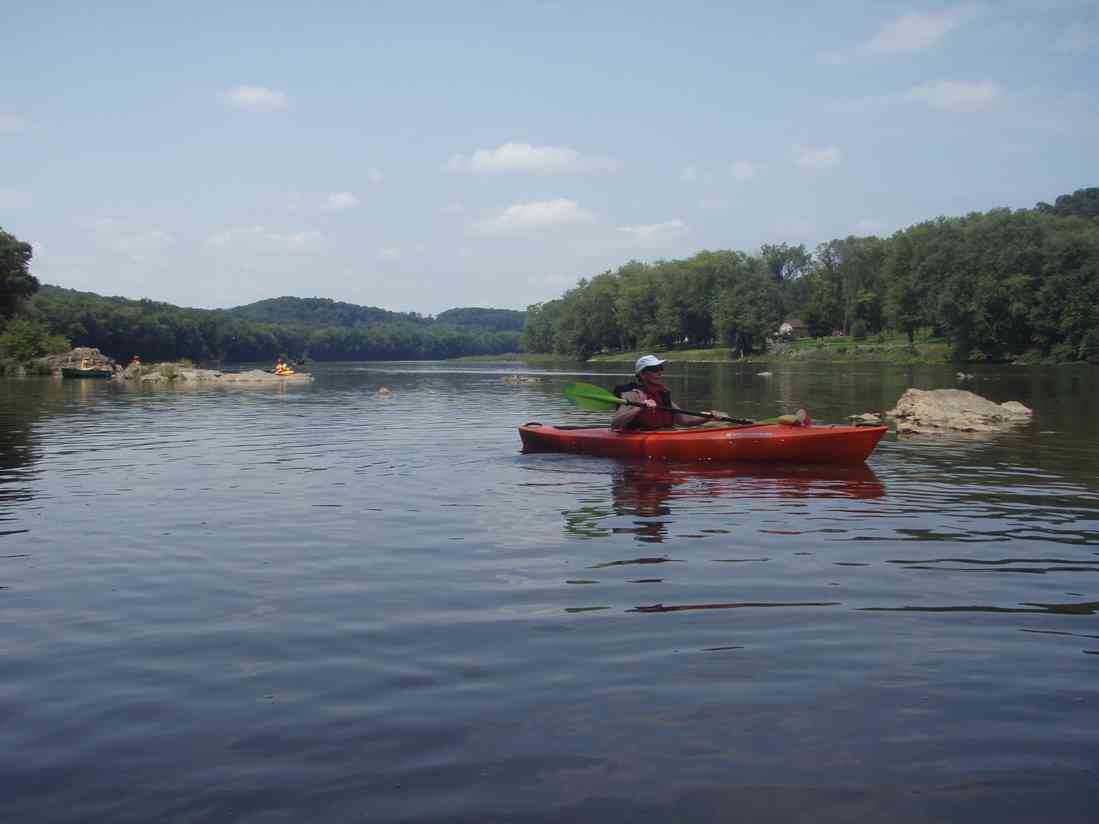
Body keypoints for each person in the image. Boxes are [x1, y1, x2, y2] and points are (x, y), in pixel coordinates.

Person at [611, 355, 727, 431]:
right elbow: (616, 423)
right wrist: (640, 407)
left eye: (661, 368)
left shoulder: (662, 394)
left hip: (661, 436)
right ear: (642, 374)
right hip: (638, 438)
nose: (660, 372)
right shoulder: (633, 394)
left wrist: (709, 416)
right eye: (655, 369)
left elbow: (684, 420)